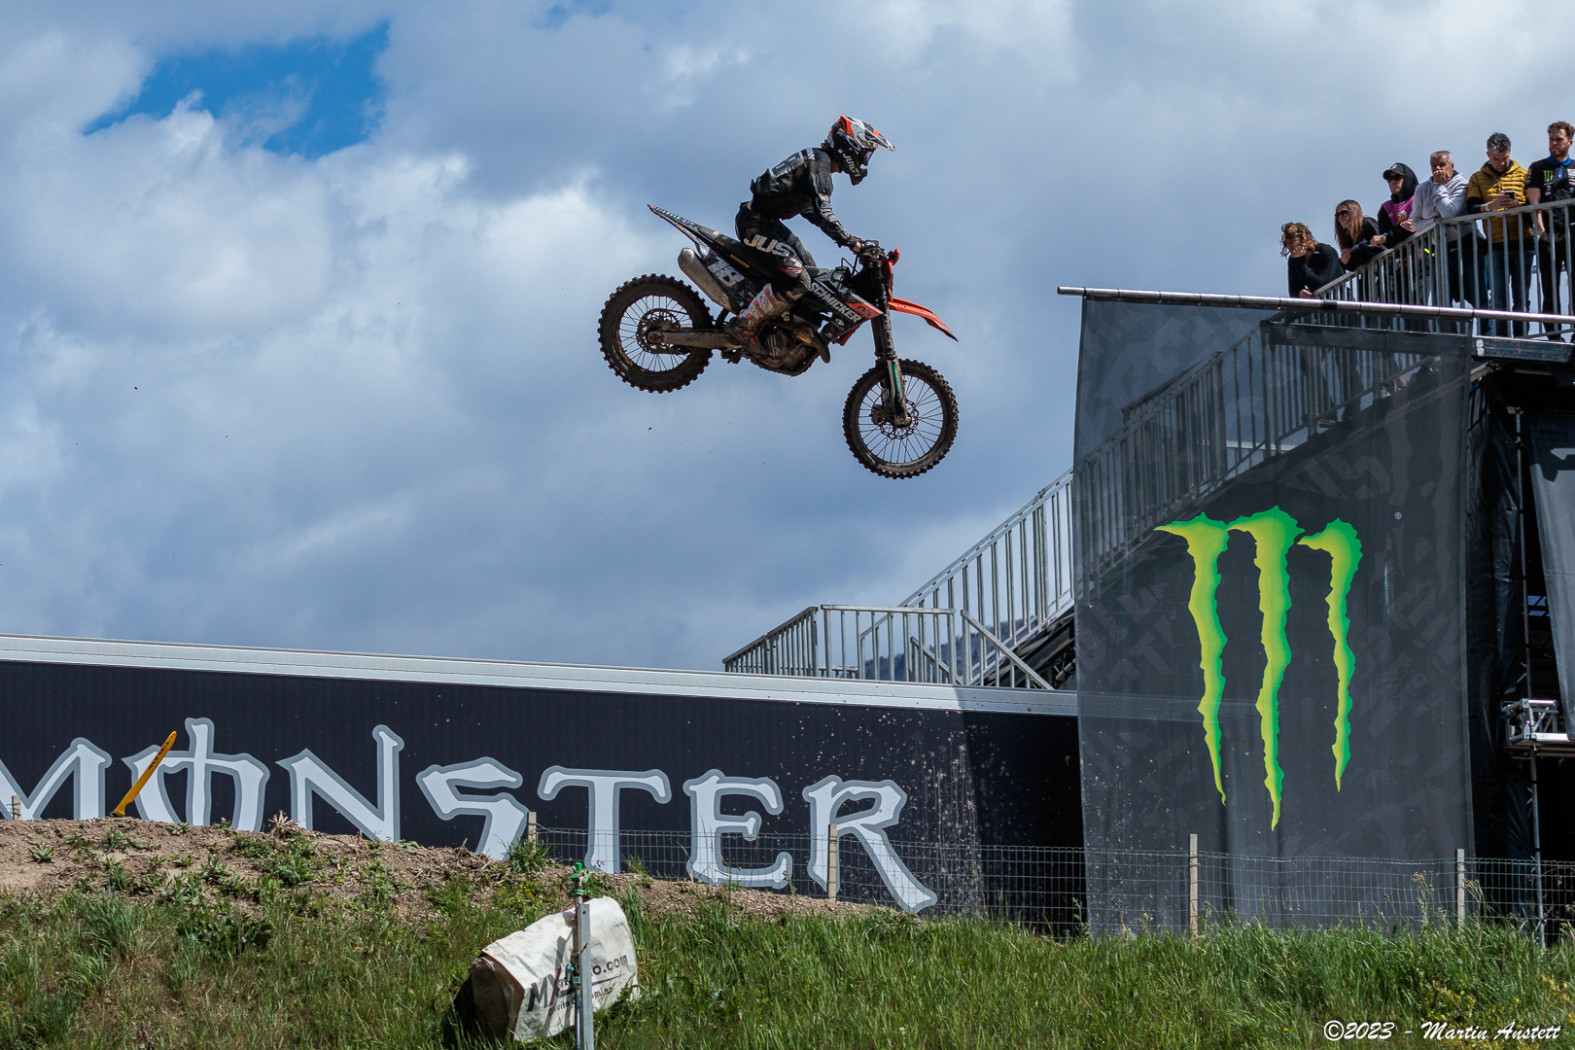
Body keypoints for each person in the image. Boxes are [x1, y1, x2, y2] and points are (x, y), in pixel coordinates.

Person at [727, 117, 894, 354]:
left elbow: (812, 212)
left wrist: (850, 239)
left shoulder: (817, 160)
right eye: (864, 154)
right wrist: (851, 242)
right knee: (799, 279)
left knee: (812, 274)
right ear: (849, 146)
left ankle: (786, 327)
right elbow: (824, 212)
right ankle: (745, 325)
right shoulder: (819, 164)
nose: (864, 161)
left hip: (766, 223)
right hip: (754, 226)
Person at [1466, 132, 1532, 335]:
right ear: (1488, 155)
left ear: (1510, 153)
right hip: (1495, 245)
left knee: (1521, 297)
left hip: (1523, 243)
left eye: (1505, 158)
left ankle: (1522, 339)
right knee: (1498, 297)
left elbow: (1535, 207)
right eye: (1496, 159)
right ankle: (1501, 340)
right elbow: (1470, 208)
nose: (1501, 163)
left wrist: (1518, 206)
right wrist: (1490, 206)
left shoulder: (1523, 175)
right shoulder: (1477, 178)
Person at [1406, 150, 1477, 306]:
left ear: (1452, 166)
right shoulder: (1422, 189)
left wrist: (1439, 186)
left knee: (1474, 292)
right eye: (1434, 166)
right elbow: (1415, 223)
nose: (1437, 169)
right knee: (1441, 298)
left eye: (1442, 165)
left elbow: (1448, 212)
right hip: (1437, 250)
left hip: (1463, 248)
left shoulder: (1463, 185)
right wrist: (1434, 221)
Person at [1525, 121, 1575, 337]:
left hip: (1572, 232)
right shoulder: (1538, 167)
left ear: (1569, 142)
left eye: (1559, 139)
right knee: (1549, 287)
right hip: (1550, 233)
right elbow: (1533, 203)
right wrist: (1541, 231)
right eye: (1551, 139)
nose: (1554, 143)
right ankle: (1554, 336)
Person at [1282, 222, 1343, 297]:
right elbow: (1293, 290)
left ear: (1304, 239)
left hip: (1339, 299)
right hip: (1319, 302)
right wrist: (1300, 292)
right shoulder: (1294, 259)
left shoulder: (1327, 252)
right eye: (1286, 243)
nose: (1289, 247)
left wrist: (1300, 263)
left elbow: (1322, 284)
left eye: (1292, 242)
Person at [1373, 162, 1418, 250]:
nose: (1393, 182)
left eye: (1397, 177)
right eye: (1389, 179)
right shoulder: (1386, 208)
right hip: (1400, 256)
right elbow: (1384, 240)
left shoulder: (1419, 198)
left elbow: (1414, 225)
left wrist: (1388, 236)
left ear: (1407, 178)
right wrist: (1401, 228)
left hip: (1424, 251)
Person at [1334, 201, 1382, 272]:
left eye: (1344, 212)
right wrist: (1344, 262)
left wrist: (1356, 250)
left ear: (1354, 212)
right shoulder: (1347, 237)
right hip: (1370, 275)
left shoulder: (1367, 222)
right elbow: (1356, 265)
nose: (1340, 217)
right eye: (1337, 215)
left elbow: (1381, 244)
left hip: (1383, 268)